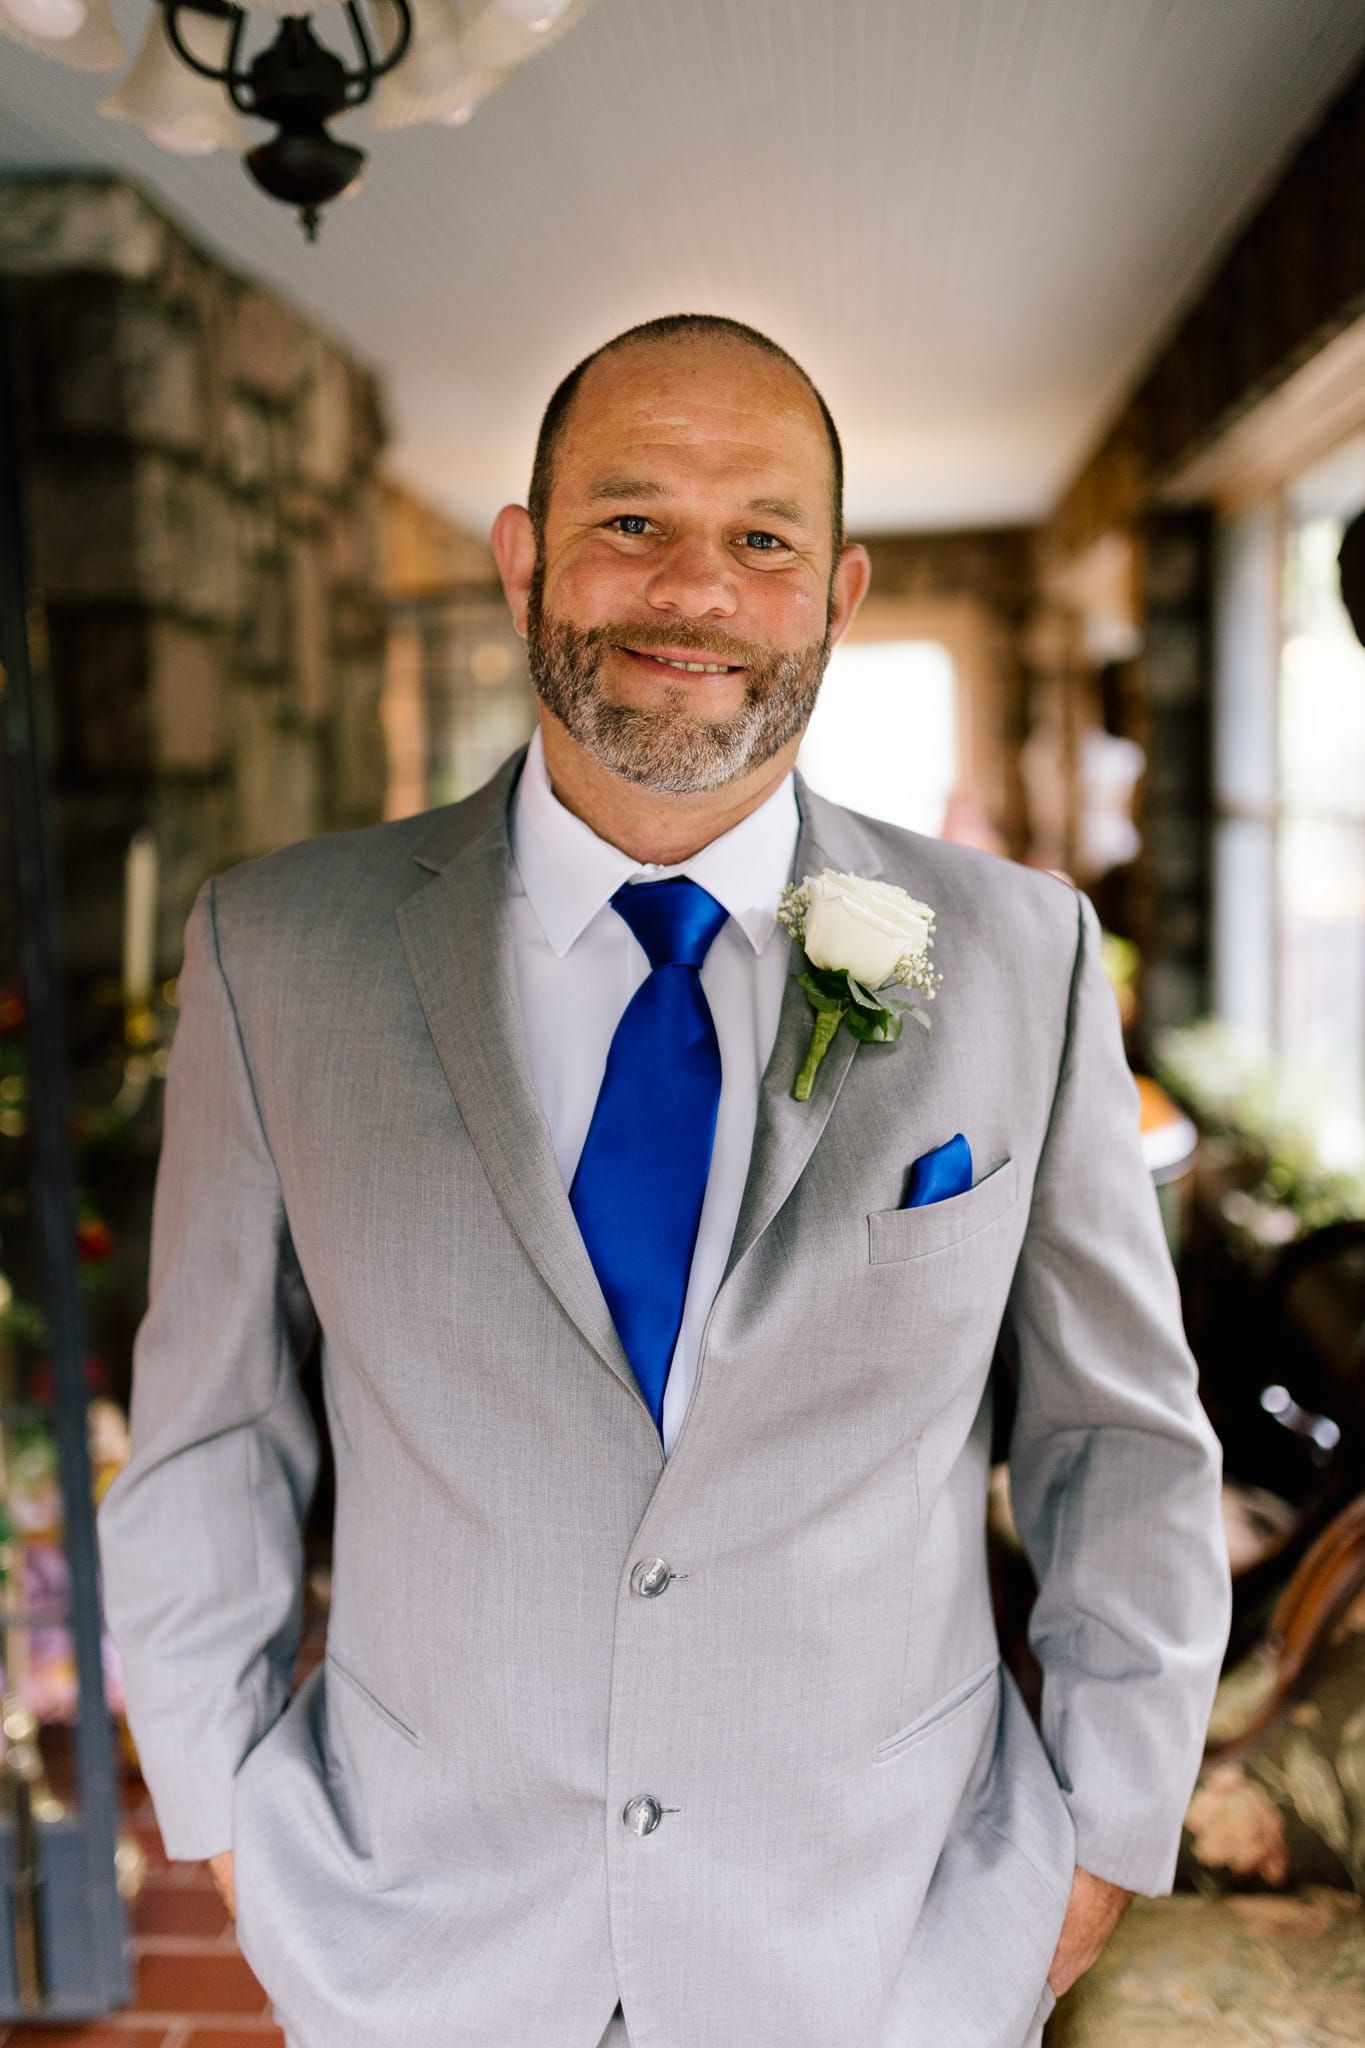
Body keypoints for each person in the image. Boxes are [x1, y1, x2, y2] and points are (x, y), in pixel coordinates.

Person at [96, 315, 1231, 2048]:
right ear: (522, 556)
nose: (692, 592)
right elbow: (205, 1436)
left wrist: (1089, 1848)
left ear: (837, 591)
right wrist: (234, 1826)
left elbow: (1122, 1447)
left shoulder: (1023, 957)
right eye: (629, 520)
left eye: (760, 538)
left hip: (890, 1944)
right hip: (415, 1940)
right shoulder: (279, 948)